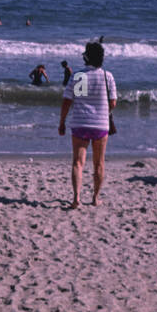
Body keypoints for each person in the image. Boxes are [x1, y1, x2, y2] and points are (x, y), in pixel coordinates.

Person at [59, 40, 117, 209]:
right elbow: (112, 103)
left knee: (78, 162)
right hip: (100, 125)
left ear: (86, 56)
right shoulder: (108, 76)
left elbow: (68, 101)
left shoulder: (79, 76)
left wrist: (62, 122)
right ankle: (96, 198)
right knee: (99, 163)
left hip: (80, 123)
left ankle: (76, 198)